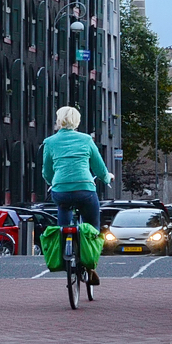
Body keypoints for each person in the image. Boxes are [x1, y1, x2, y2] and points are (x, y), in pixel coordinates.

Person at [42, 105, 113, 285]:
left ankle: (65, 246)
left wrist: (54, 183)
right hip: (85, 190)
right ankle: (91, 267)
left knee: (63, 221)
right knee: (93, 229)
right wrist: (106, 178)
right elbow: (98, 166)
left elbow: (47, 171)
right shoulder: (86, 139)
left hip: (61, 191)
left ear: (58, 121)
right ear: (77, 121)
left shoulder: (49, 142)